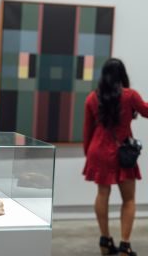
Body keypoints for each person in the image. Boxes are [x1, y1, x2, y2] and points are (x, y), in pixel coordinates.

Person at [83, 58, 148, 256]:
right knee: (128, 199)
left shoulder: (92, 98)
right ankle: (125, 246)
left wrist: (89, 154)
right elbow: (146, 111)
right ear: (122, 75)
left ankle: (105, 240)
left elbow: (87, 130)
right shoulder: (130, 96)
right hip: (122, 153)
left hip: (98, 150)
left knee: (102, 194)